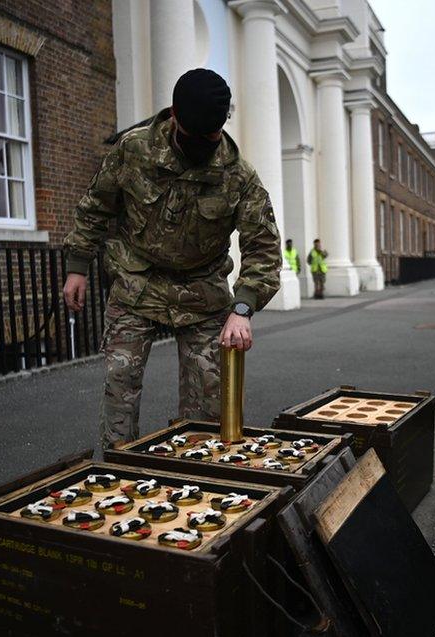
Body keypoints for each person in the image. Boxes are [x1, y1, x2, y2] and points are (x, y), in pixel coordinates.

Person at [62, 68, 282, 448]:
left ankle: (193, 484)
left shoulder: (238, 176)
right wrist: (77, 266)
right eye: (194, 136)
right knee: (121, 386)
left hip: (201, 292)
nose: (202, 144)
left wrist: (243, 308)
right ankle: (120, 472)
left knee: (206, 408)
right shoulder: (134, 150)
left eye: (210, 137)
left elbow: (263, 247)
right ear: (175, 116)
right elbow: (95, 206)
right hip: (136, 282)